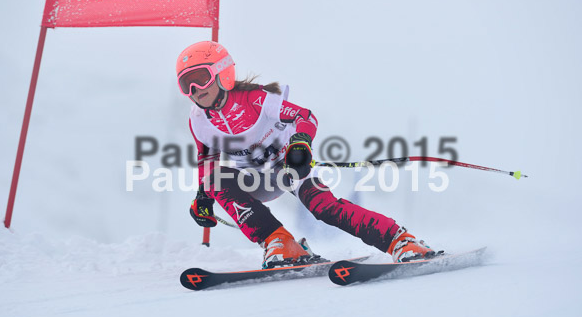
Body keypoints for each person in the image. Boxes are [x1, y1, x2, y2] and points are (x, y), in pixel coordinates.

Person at [177, 41, 437, 269]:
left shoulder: (256, 99)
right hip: (254, 179)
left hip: (290, 167)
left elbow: (305, 116)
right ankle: (280, 242)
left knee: (324, 208)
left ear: (223, 73)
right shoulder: (199, 121)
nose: (195, 90)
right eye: (186, 84)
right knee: (216, 180)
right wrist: (203, 195)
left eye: (201, 78)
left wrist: (300, 144)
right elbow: (206, 162)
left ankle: (401, 240)